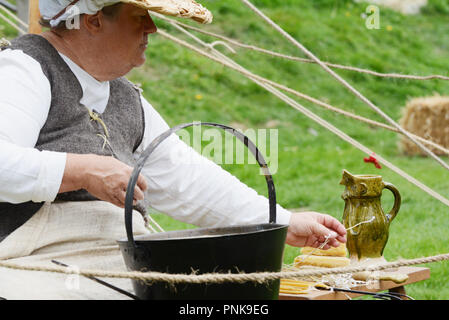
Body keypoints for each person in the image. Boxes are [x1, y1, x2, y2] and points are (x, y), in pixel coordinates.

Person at [0, 0, 346, 299]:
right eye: (140, 16)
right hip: (33, 262)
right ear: (93, 19)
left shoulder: (124, 96)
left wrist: (283, 222)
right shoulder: (23, 69)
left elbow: (186, 179)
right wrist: (82, 170)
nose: (153, 28)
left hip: (115, 262)